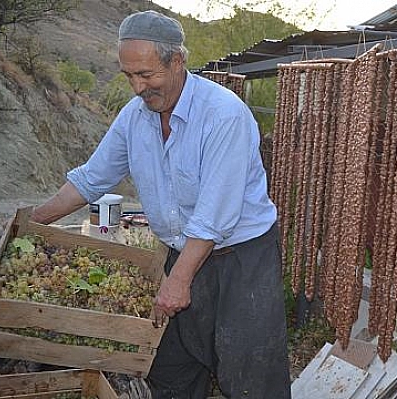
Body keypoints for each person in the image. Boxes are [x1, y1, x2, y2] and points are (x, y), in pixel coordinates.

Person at [29, 10, 291, 399]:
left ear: (177, 61)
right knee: (171, 366)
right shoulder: (135, 117)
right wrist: (33, 222)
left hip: (241, 261)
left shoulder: (224, 114)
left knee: (249, 369)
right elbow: (91, 179)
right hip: (181, 251)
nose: (137, 87)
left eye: (147, 75)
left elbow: (213, 215)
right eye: (129, 76)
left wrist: (179, 280)